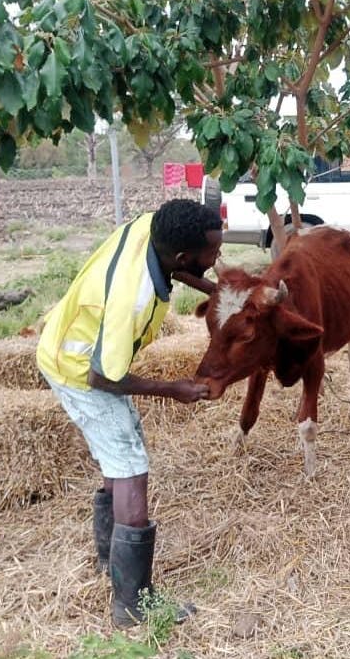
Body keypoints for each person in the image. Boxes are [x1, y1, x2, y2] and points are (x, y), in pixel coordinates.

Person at [36, 198, 222, 627]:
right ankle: (132, 604)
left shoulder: (152, 227)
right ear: (182, 255)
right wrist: (173, 389)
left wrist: (217, 290)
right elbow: (104, 376)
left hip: (80, 354)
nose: (215, 260)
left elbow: (174, 266)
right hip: (79, 370)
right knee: (131, 465)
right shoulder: (131, 299)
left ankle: (109, 559)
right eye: (211, 255)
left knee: (121, 452)